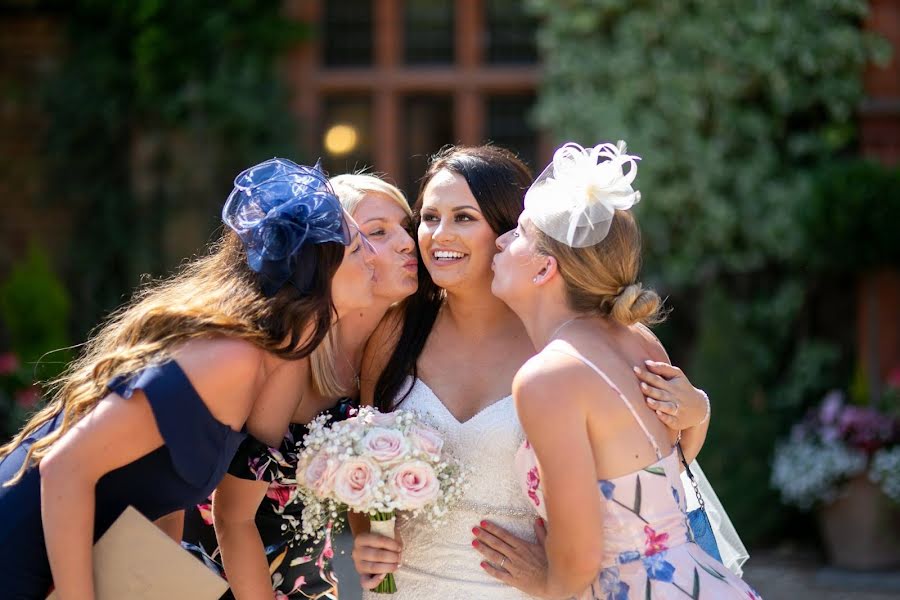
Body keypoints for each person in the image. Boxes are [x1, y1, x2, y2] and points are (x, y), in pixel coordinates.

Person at [351, 146, 712, 599]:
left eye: (464, 218)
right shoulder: (394, 333)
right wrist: (367, 535)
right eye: (428, 217)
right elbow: (361, 462)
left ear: (509, 231)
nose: (439, 235)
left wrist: (697, 410)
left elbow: (658, 462)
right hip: (405, 586)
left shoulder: (572, 345)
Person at [0, 158, 362, 599]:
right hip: (25, 558)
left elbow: (166, 484)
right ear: (320, 274)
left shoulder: (270, 358)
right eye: (359, 248)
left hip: (84, 563)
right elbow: (64, 466)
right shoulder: (229, 355)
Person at [486, 141, 761, 599]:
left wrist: (547, 583)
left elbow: (580, 556)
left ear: (543, 270)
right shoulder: (638, 338)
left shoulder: (548, 377)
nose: (500, 239)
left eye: (516, 233)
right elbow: (672, 461)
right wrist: (702, 411)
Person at [181, 173, 417, 599]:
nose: (407, 242)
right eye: (376, 233)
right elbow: (232, 516)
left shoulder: (404, 355)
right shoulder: (289, 356)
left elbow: (341, 530)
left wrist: (362, 564)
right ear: (327, 255)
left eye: (408, 227)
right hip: (215, 579)